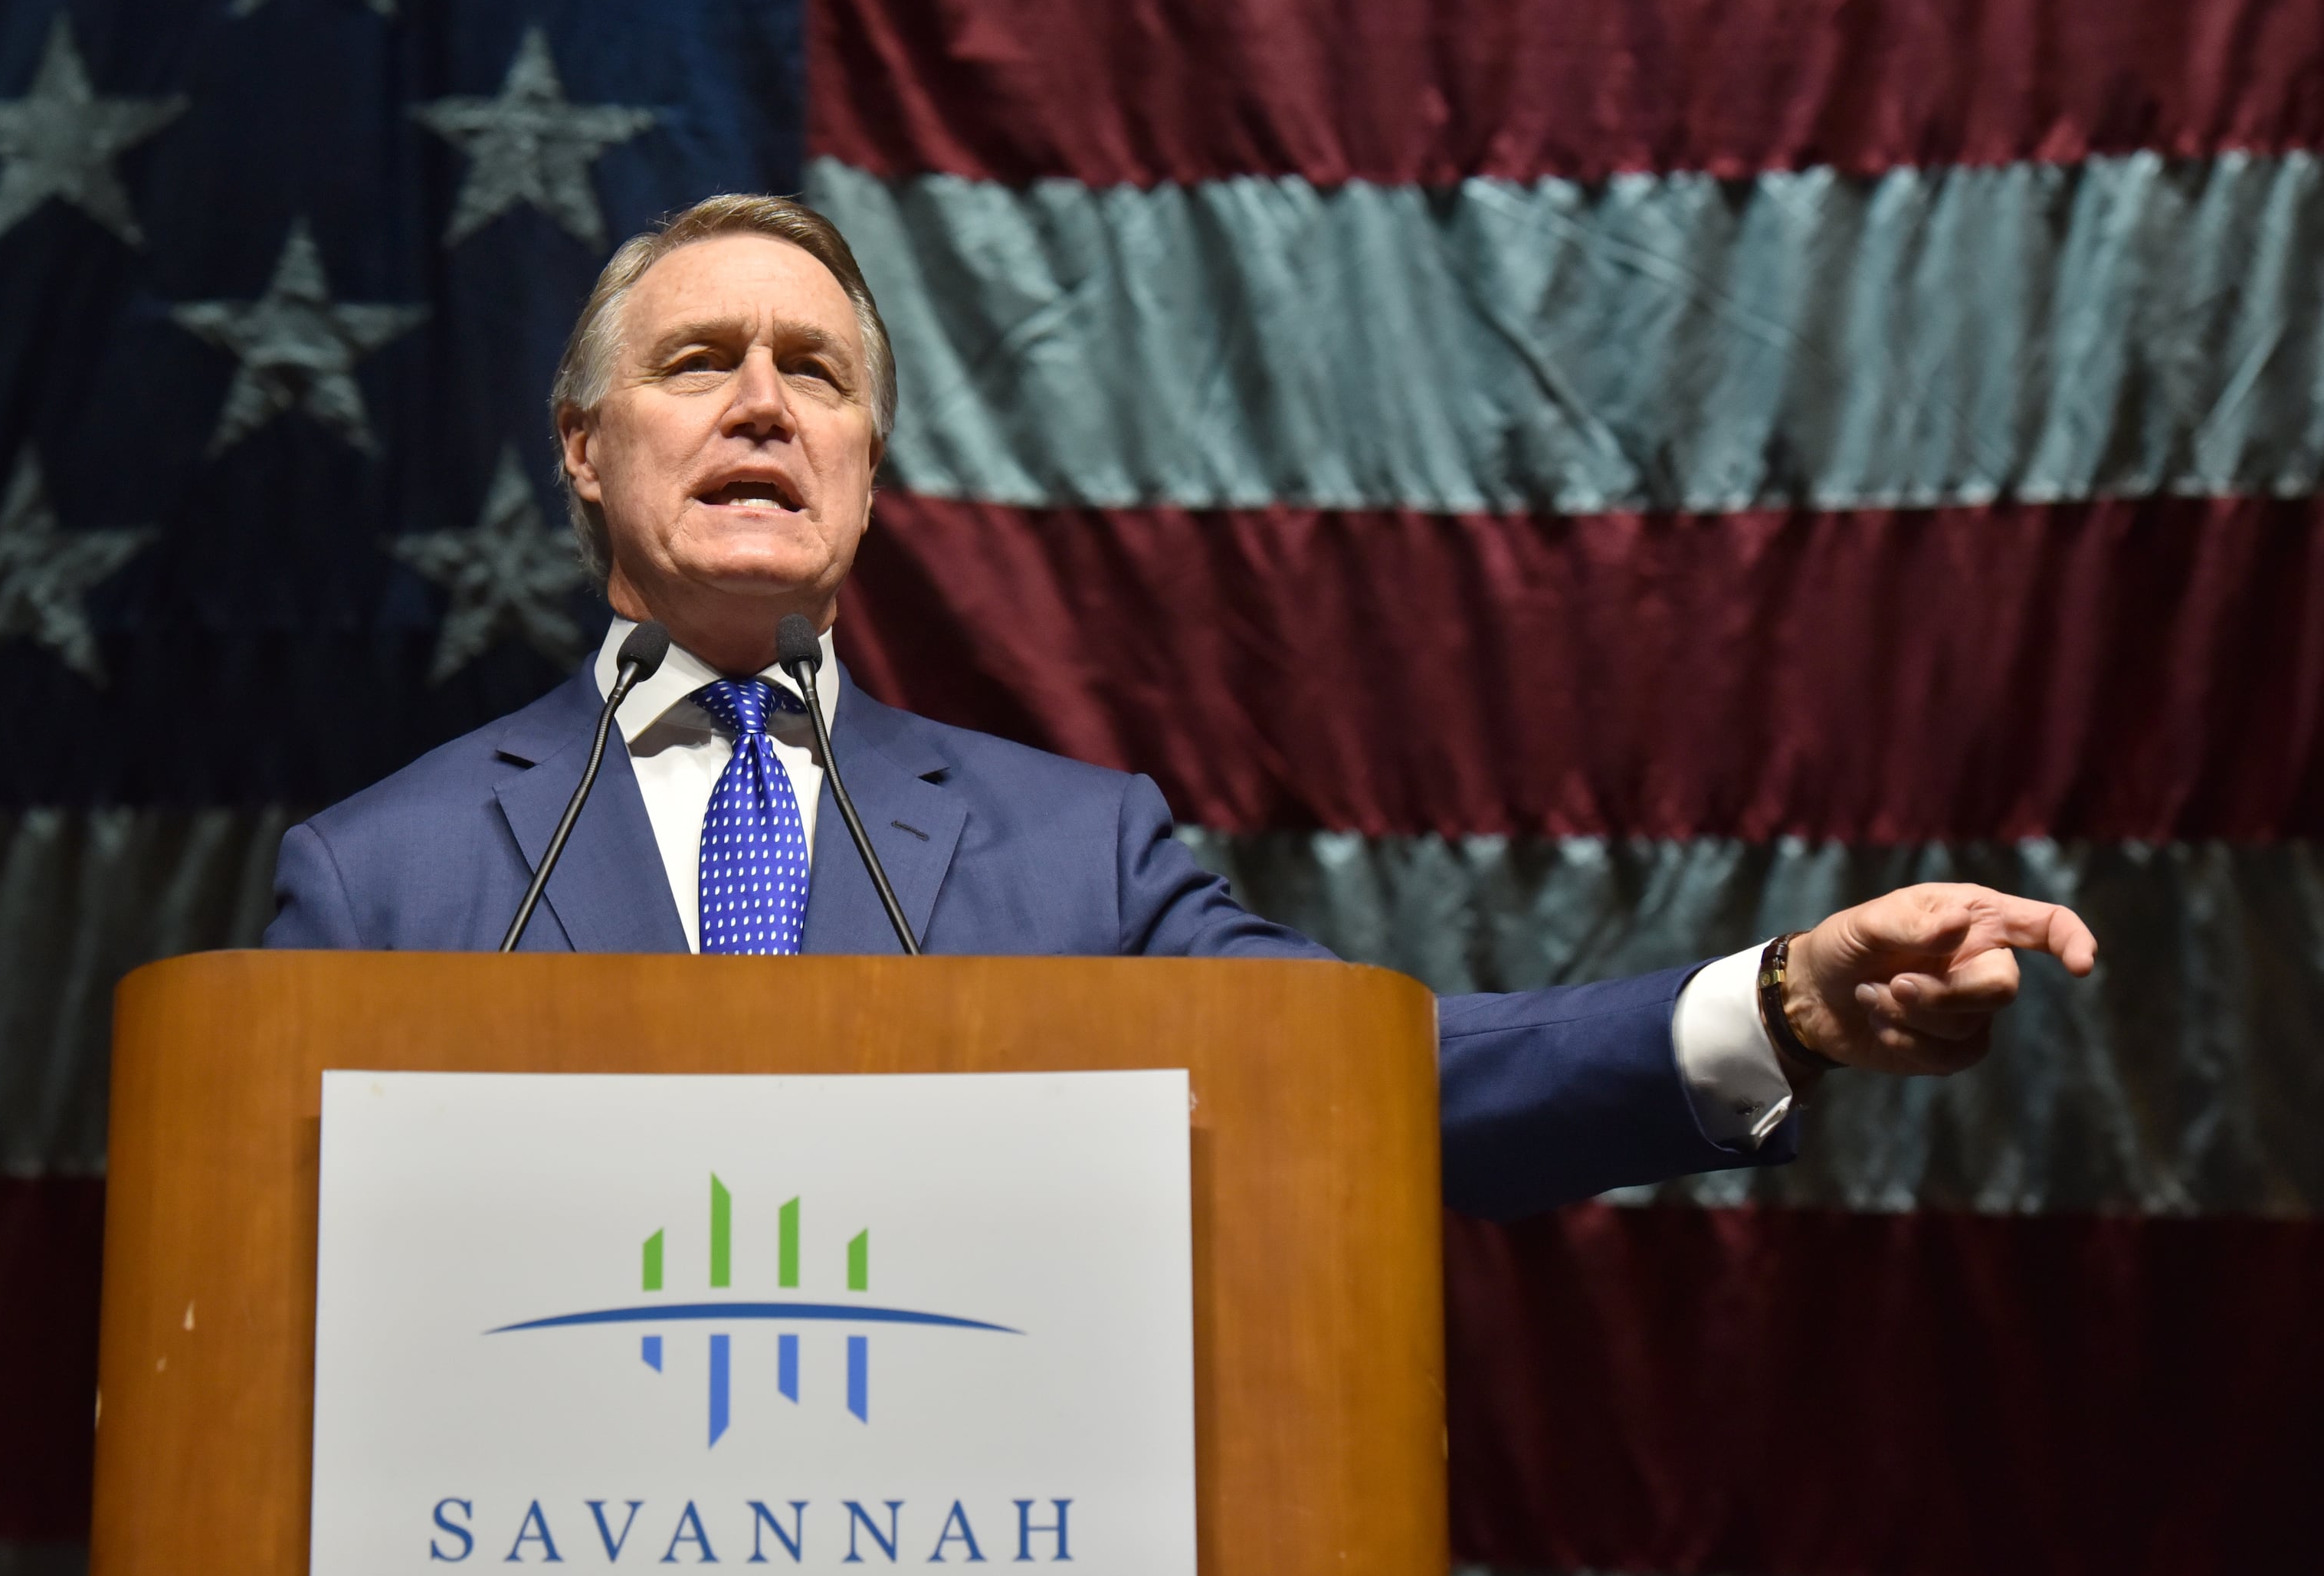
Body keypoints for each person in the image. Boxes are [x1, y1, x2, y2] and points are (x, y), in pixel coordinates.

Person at [266, 195, 2099, 1217]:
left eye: (813, 373)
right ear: (587, 450)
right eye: (698, 363)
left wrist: (1769, 1002)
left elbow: (1374, 1082)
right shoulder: (385, 878)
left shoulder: (1078, 851)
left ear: (868, 468)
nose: (763, 400)